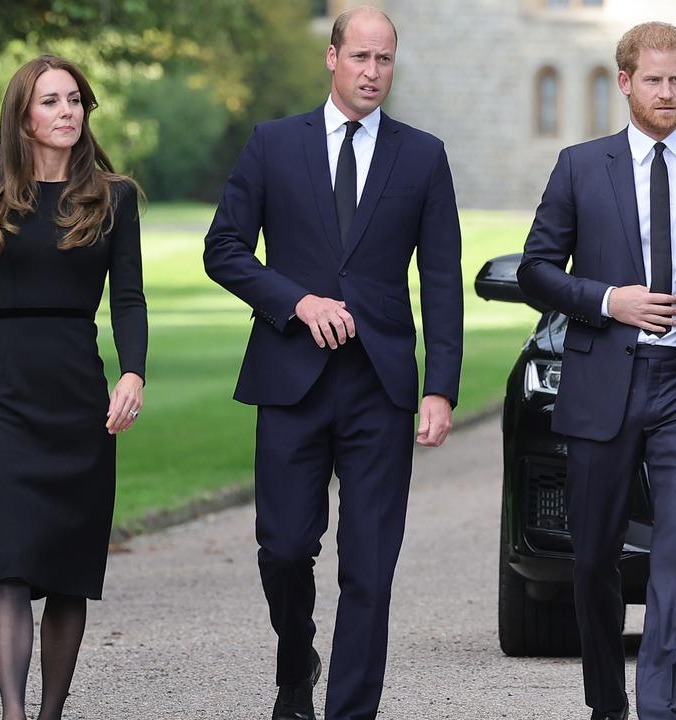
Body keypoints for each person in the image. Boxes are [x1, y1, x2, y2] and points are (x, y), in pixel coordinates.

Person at [201, 7, 462, 720]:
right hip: (290, 379)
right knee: (284, 549)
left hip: (380, 388)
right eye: (360, 58)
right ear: (333, 57)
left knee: (369, 567)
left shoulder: (423, 155)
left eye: (385, 60)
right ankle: (296, 660)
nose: (372, 72)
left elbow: (441, 279)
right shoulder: (273, 145)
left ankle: (350, 712)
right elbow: (223, 250)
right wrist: (296, 302)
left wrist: (440, 387)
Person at [517, 22, 676, 720]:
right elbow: (535, 270)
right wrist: (607, 300)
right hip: (604, 383)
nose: (667, 92)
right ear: (625, 82)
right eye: (654, 80)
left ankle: (664, 709)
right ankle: (608, 703)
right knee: (594, 559)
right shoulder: (579, 166)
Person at [0, 55, 146, 720]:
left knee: (67, 573)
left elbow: (130, 301)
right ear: (23, 117)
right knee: (13, 567)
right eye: (51, 101)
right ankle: (12, 714)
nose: (67, 112)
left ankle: (49, 714)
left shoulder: (114, 198)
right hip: (6, 399)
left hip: (79, 400)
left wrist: (133, 371)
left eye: (75, 100)